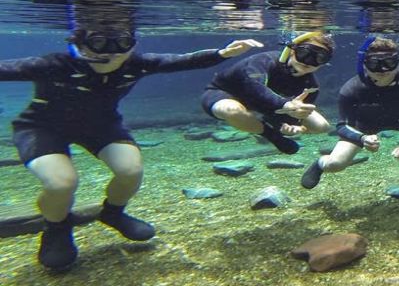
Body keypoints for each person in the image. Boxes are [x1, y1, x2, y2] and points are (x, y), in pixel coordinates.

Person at [0, 23, 261, 270]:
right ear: (80, 43)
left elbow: (180, 61)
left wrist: (222, 53)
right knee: (61, 183)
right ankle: (57, 228)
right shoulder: (54, 64)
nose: (112, 52)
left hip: (101, 125)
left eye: (122, 43)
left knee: (130, 171)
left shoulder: (136, 64)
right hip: (42, 127)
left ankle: (113, 213)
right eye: (100, 43)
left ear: (132, 45)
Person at [300, 37, 399, 188]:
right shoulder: (352, 89)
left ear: (398, 63)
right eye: (374, 63)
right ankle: (320, 164)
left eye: (389, 62)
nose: (382, 70)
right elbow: (342, 126)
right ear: (364, 64)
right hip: (363, 127)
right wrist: (361, 138)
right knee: (335, 164)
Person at [201, 32, 333, 154]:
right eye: (304, 53)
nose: (308, 62)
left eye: (320, 58)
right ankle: (270, 135)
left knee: (321, 126)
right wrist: (286, 106)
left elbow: (293, 117)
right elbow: (254, 87)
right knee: (232, 110)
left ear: (324, 63)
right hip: (225, 93)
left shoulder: (311, 86)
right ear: (292, 51)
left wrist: (292, 127)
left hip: (269, 105)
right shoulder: (264, 60)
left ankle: (263, 123)